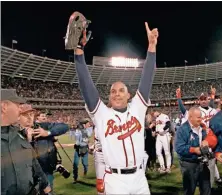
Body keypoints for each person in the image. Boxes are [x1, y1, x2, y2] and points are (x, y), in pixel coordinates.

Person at [65, 11, 157, 194]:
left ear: (129, 95)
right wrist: (79, 53)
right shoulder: (102, 114)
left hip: (140, 177)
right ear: (109, 97)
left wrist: (152, 47)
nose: (116, 94)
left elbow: (147, 78)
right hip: (115, 179)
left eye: (121, 90)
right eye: (113, 91)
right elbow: (86, 86)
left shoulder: (138, 108)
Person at [1, 89, 51, 195]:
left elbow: (34, 163)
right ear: (4, 106)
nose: (20, 109)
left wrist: (45, 185)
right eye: (18, 105)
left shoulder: (19, 135)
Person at [176, 87, 222, 186]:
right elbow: (184, 111)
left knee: (213, 160)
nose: (203, 101)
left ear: (208, 99)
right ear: (199, 101)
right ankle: (209, 182)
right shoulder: (197, 111)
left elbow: (212, 107)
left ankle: (215, 179)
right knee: (207, 160)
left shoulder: (213, 110)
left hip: (213, 136)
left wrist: (213, 97)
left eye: (205, 99)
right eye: (201, 99)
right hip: (202, 136)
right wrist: (179, 98)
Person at [175, 106, 218, 195]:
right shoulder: (182, 130)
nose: (201, 119)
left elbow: (211, 139)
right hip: (189, 164)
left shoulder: (203, 127)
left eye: (201, 117)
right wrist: (194, 150)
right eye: (198, 117)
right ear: (191, 117)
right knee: (190, 190)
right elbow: (179, 148)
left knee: (206, 189)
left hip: (203, 162)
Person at [33, 110, 69, 190]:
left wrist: (48, 133)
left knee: (49, 188)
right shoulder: (29, 126)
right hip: (34, 166)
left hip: (47, 166)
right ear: (37, 117)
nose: (44, 117)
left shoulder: (47, 125)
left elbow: (65, 126)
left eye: (45, 116)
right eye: (42, 116)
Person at [73, 118, 92, 183]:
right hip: (78, 148)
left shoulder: (89, 129)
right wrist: (79, 130)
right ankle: (75, 178)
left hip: (84, 148)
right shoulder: (78, 130)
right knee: (75, 164)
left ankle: (85, 172)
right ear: (84, 124)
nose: (89, 124)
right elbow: (77, 138)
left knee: (85, 163)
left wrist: (84, 130)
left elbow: (89, 135)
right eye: (88, 123)